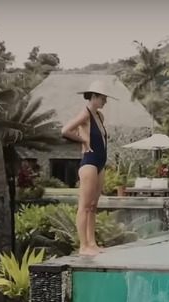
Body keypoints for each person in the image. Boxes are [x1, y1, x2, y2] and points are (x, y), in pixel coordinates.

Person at [60, 80, 117, 255]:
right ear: (94, 96)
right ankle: (83, 246)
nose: (105, 101)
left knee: (93, 205)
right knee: (84, 206)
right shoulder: (85, 114)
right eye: (103, 98)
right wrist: (83, 140)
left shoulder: (100, 116)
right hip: (89, 162)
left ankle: (92, 243)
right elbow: (65, 130)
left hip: (100, 162)